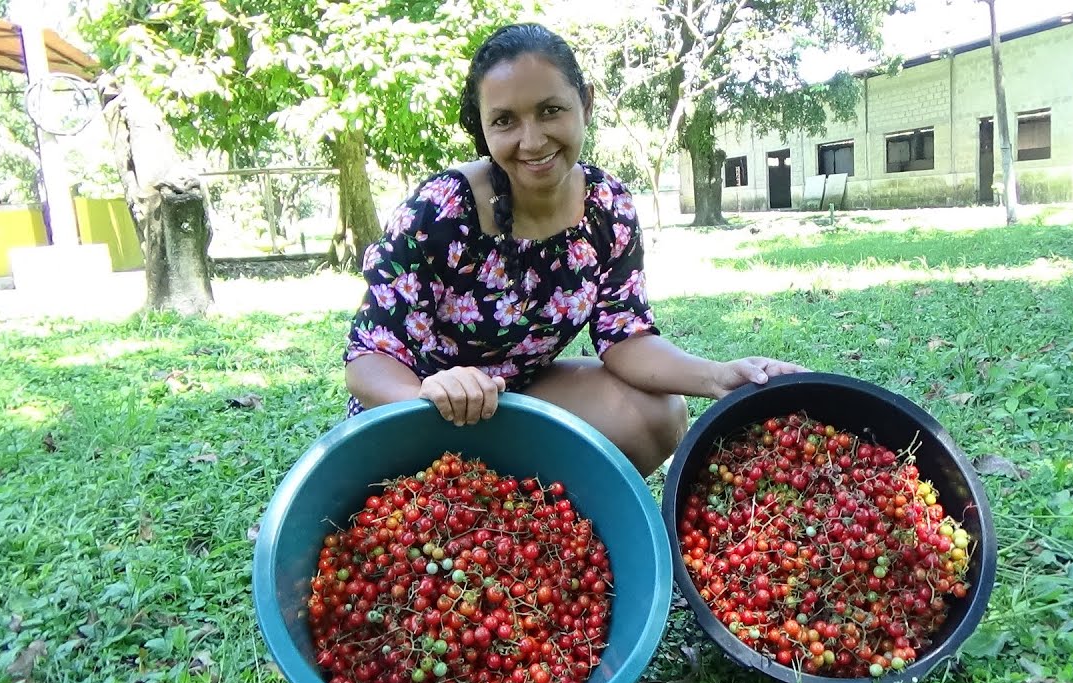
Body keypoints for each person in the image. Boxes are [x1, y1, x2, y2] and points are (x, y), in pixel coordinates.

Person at [343, 23, 804, 476]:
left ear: (584, 104)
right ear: (483, 130)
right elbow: (368, 358)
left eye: (550, 110)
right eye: (505, 121)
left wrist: (718, 376)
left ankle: (537, 512)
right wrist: (428, 397)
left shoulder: (607, 207)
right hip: (420, 408)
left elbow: (625, 335)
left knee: (655, 414)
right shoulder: (440, 210)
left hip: (517, 397)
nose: (533, 140)